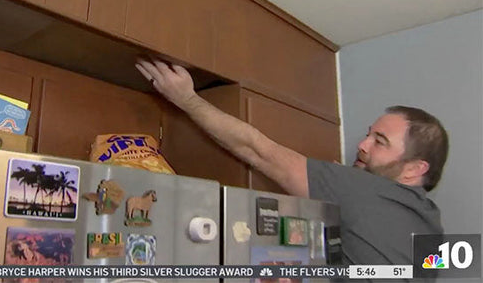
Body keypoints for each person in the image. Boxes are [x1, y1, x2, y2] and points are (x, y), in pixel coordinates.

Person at [135, 59, 447, 265]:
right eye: (369, 135)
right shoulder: (432, 226)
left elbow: (258, 150)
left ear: (414, 169)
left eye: (380, 141)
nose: (362, 145)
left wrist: (186, 98)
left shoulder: (368, 191)